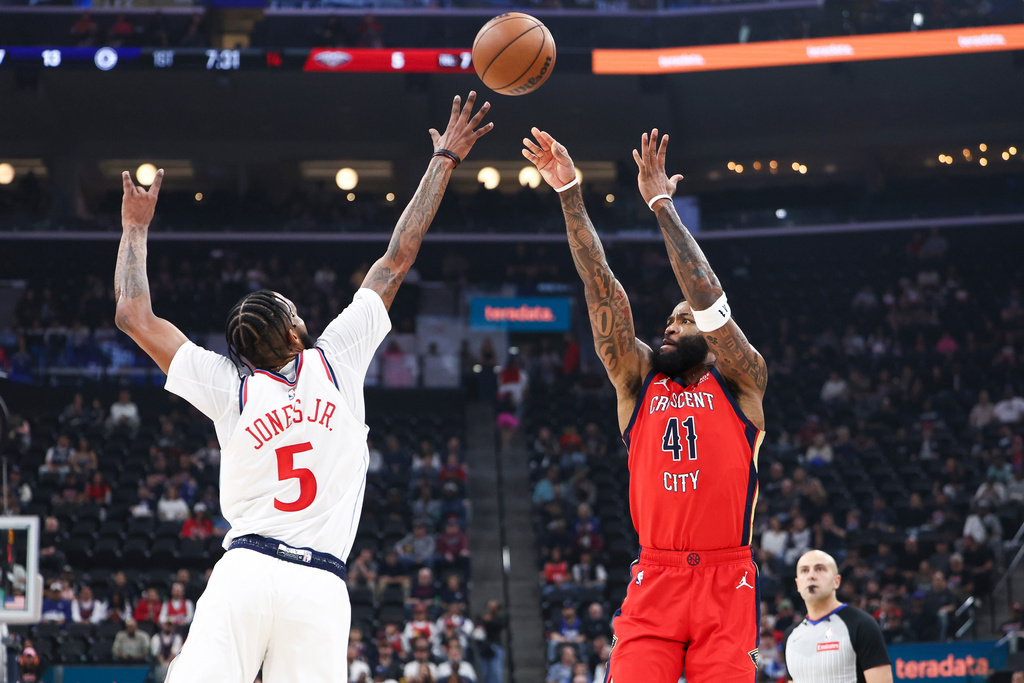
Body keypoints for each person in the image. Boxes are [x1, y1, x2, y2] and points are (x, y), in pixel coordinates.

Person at [110, 92, 492, 682]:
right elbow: (397, 258)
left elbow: (134, 315)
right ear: (295, 327)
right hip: (317, 584)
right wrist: (443, 159)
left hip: (246, 571)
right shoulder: (335, 357)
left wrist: (135, 229)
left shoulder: (228, 386)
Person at [522, 127, 767, 682]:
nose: (670, 326)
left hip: (728, 581)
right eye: (669, 321)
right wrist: (569, 193)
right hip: (655, 575)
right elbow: (601, 286)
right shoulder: (638, 382)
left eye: (682, 321)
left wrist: (661, 207)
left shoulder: (741, 381)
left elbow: (706, 296)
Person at [782, 550, 892, 683]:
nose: (811, 575)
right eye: (804, 570)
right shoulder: (790, 636)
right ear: (798, 584)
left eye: (820, 569)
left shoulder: (862, 624)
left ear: (837, 581)